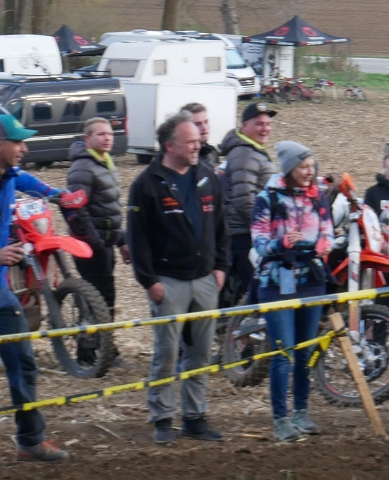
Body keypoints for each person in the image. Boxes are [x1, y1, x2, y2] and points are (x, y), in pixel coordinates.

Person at [126, 114, 230, 445]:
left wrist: (221, 268)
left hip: (205, 279)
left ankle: (195, 418)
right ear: (170, 146)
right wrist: (149, 280)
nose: (198, 146)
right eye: (190, 142)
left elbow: (221, 226)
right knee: (167, 352)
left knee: (201, 352)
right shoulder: (146, 184)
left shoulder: (207, 176)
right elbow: (137, 239)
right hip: (168, 280)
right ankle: (162, 417)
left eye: (198, 141)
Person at [0, 111, 71, 461]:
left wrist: (59, 194)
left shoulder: (10, 175)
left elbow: (29, 181)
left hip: (1, 294)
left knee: (24, 361)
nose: (24, 148)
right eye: (17, 141)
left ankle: (30, 439)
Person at [252, 141, 334, 442]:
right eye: (303, 167)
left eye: (311, 166)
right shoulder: (268, 198)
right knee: (283, 351)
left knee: (305, 350)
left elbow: (328, 230)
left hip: (311, 279)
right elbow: (259, 242)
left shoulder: (318, 196)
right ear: (288, 169)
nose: (309, 172)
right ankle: (280, 418)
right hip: (277, 281)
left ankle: (301, 410)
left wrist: (326, 244)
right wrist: (282, 243)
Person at [65, 116, 123, 320]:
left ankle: (100, 337)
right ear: (87, 139)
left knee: (105, 296)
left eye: (110, 134)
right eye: (101, 134)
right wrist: (95, 242)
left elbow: (110, 206)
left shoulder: (105, 162)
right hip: (91, 246)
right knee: (100, 298)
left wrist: (121, 239)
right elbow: (76, 209)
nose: (107, 138)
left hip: (105, 243)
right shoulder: (83, 167)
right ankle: (92, 339)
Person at [220, 103, 278, 305]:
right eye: (259, 124)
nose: (265, 129)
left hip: (246, 233)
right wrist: (264, 229)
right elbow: (244, 200)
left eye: (268, 124)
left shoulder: (251, 151)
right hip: (244, 236)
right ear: (245, 125)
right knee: (257, 294)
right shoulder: (244, 154)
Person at [180, 101, 218, 166]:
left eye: (206, 122)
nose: (204, 127)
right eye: (197, 124)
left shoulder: (212, 152)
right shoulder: (182, 158)